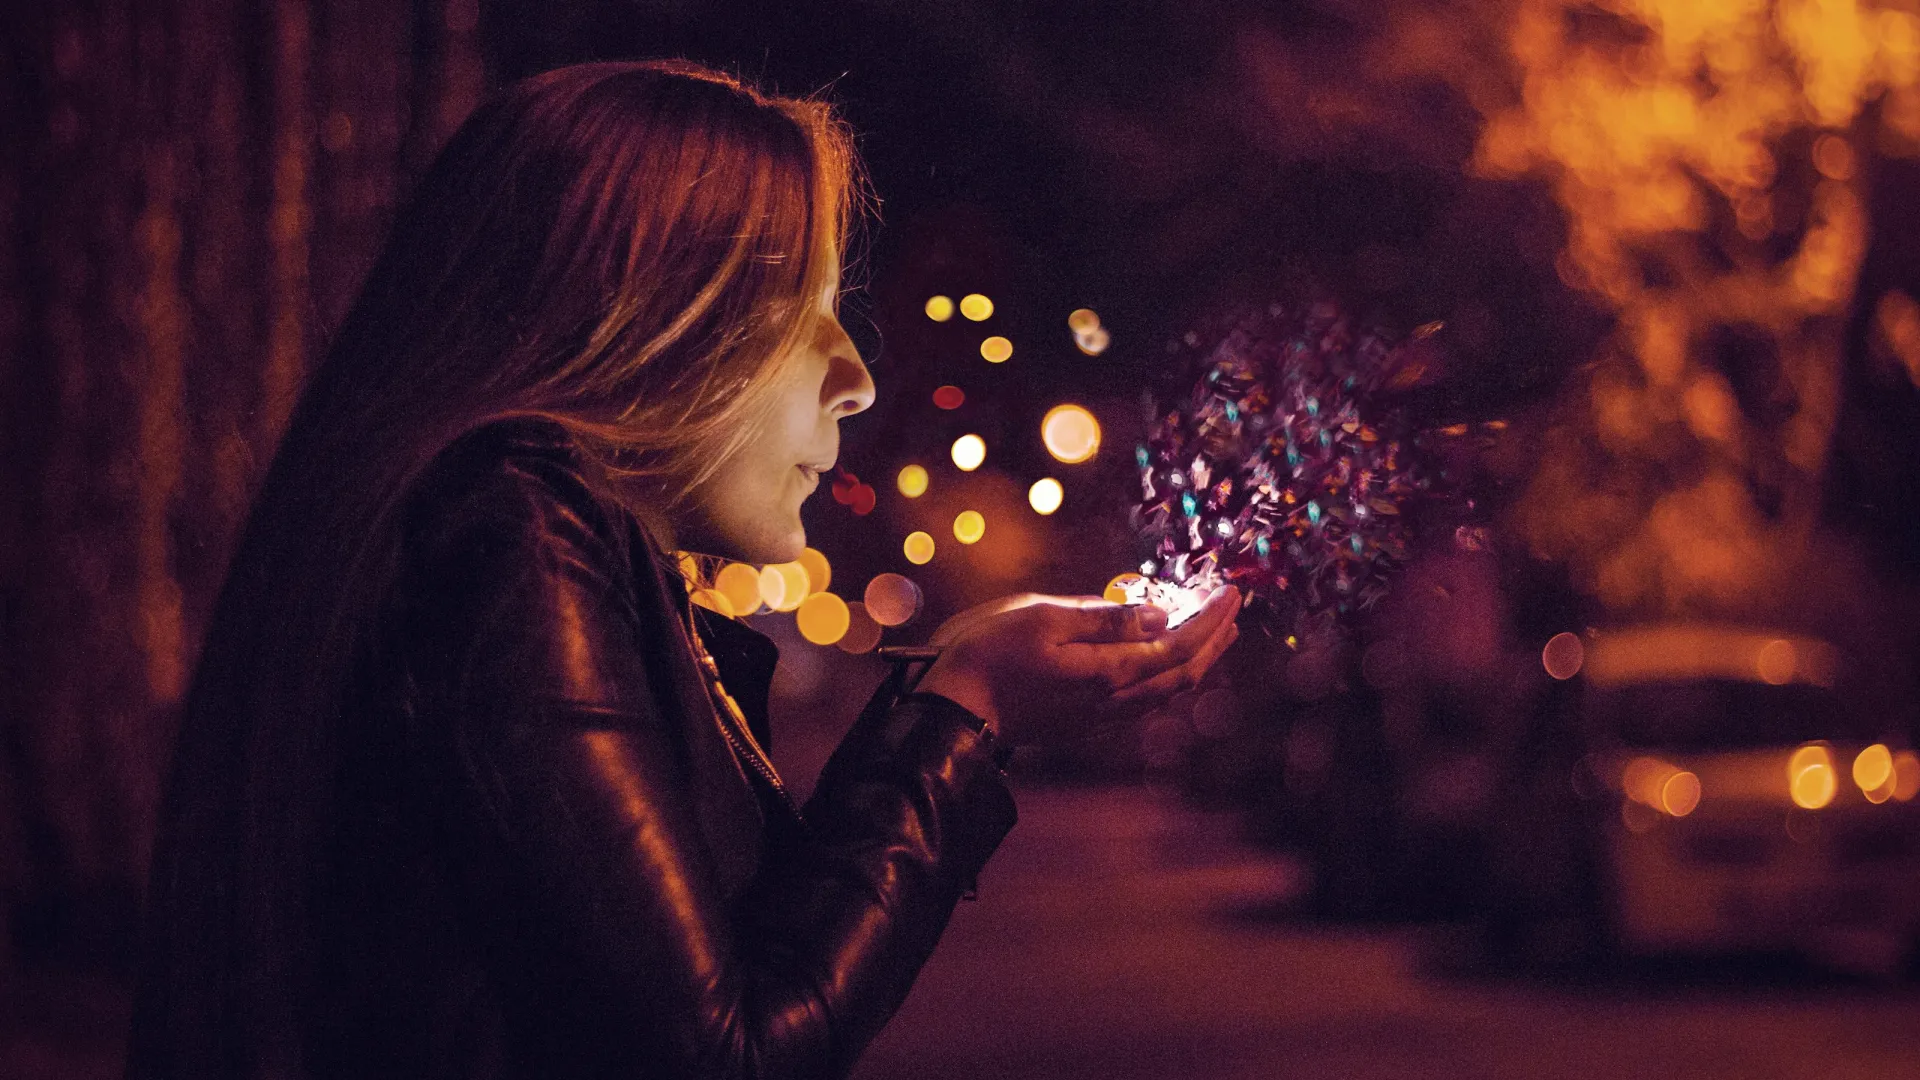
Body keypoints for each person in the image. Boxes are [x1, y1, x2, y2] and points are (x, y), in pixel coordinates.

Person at [125, 60, 1240, 1080]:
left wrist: (950, 686)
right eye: (801, 312)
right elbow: (724, 1054)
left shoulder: (534, 541)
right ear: (646, 318)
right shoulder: (509, 531)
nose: (852, 374)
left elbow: (733, 962)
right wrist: (966, 710)